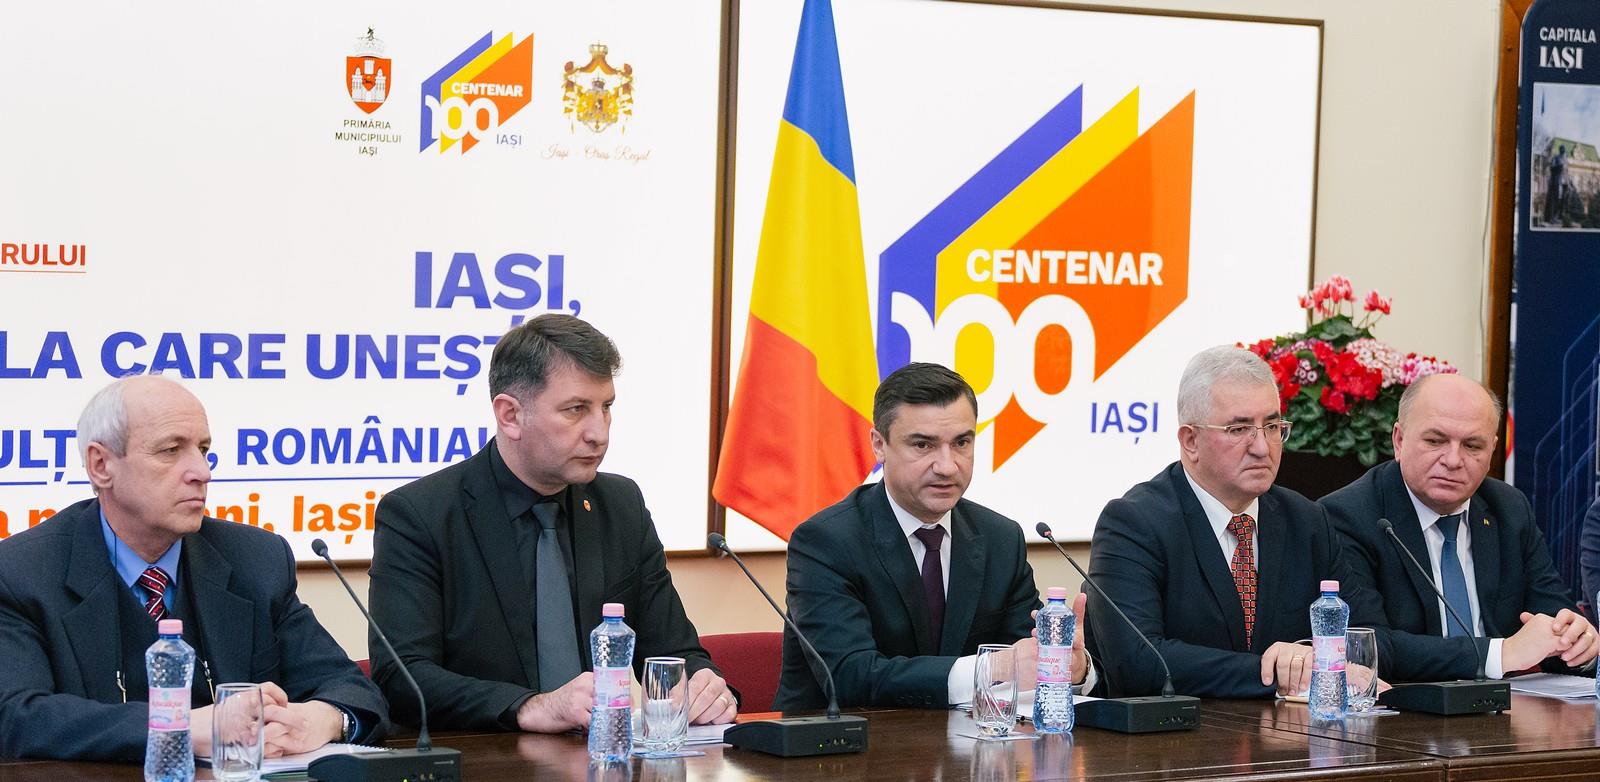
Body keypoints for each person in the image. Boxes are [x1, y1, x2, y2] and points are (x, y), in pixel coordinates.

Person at [369, 315, 734, 733]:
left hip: (605, 755)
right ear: (510, 415)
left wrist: (703, 685)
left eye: (606, 407)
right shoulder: (420, 514)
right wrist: (530, 706)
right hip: (484, 756)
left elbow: (674, 651)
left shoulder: (621, 505)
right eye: (576, 409)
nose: (599, 433)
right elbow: (402, 677)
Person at [0, 375, 386, 761]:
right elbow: (17, 716)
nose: (202, 472)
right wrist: (178, 726)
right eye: (171, 450)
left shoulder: (255, 559)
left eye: (203, 449)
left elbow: (351, 688)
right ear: (101, 465)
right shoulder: (22, 572)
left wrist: (323, 719)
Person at [774, 363, 1093, 711]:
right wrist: (989, 668)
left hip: (967, 741)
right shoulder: (825, 542)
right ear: (879, 445)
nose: (947, 466)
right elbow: (850, 675)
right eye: (923, 445)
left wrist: (1067, 666)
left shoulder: (1000, 538)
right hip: (844, 741)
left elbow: (1025, 655)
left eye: (961, 443)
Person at [1085, 346, 1390, 698]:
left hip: (1292, 731)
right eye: (1239, 429)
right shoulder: (1133, 523)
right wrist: (1278, 672)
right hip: (1182, 731)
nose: (1262, 447)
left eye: (1272, 426)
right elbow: (1138, 662)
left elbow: (1370, 639)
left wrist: (1314, 660)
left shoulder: (1307, 521)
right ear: (1190, 441)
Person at [1322, 373, 1596, 681]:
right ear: (1399, 440)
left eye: (1472, 445)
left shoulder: (1509, 508)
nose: (1453, 460)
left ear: (1492, 450)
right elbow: (1366, 646)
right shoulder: (1347, 516)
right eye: (1435, 441)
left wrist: (1577, 644)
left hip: (1507, 705)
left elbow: (1554, 617)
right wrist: (1500, 654)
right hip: (1404, 707)